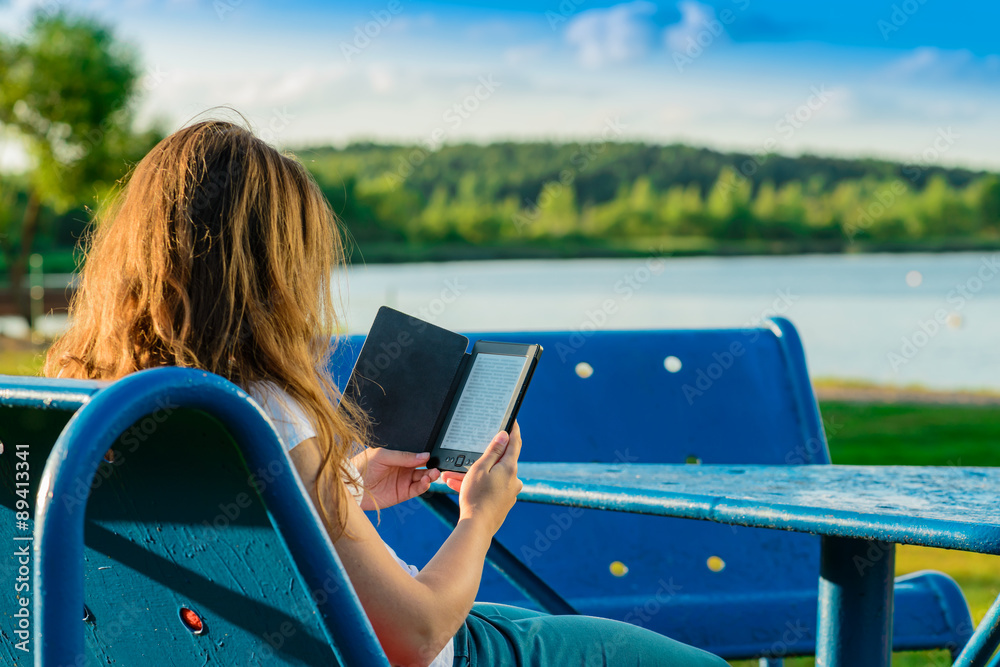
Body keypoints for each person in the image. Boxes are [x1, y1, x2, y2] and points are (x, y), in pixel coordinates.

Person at [44, 119, 729, 667]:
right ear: (275, 273)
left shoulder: (87, 401)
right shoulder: (254, 410)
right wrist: (478, 517)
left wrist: (347, 485)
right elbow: (420, 632)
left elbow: (216, 539)